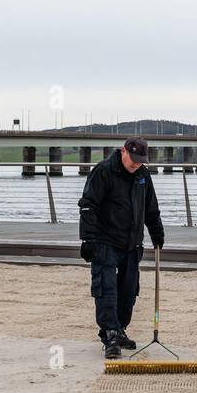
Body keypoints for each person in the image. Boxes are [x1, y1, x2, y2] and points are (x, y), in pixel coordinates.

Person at [78, 137, 165, 358]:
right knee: (106, 290)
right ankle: (110, 334)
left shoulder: (143, 175)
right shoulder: (104, 171)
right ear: (123, 151)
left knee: (128, 292)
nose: (136, 164)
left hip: (132, 243)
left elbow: (151, 208)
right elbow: (88, 206)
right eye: (133, 159)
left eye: (141, 161)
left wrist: (157, 233)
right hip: (105, 240)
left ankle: (120, 329)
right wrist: (87, 240)